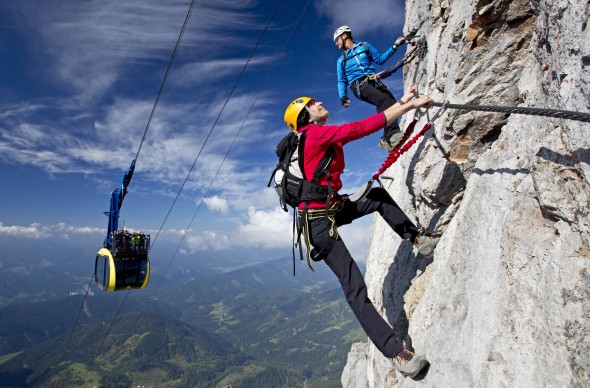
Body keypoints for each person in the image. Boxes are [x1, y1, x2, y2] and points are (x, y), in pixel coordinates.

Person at [283, 84, 440, 378]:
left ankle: (417, 238)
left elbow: (356, 132)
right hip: (318, 222)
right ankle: (397, 353)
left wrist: (403, 101)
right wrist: (409, 107)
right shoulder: (314, 134)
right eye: (311, 103)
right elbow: (361, 128)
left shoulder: (316, 137)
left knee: (376, 197)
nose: (318, 101)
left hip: (328, 209)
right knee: (354, 286)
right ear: (305, 116)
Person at [334, 25, 407, 152]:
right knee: (383, 101)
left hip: (373, 81)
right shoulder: (341, 60)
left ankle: (386, 139)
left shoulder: (364, 46)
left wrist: (395, 46)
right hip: (358, 85)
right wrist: (343, 96)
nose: (336, 43)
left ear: (344, 35)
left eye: (337, 40)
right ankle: (394, 134)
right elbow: (341, 80)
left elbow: (379, 59)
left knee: (391, 102)